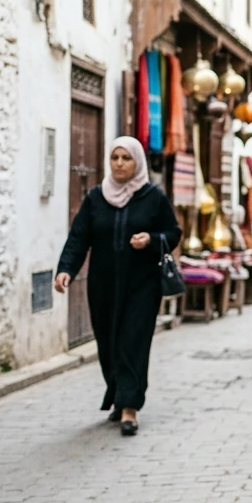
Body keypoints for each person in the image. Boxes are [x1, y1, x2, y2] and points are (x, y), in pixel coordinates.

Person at [55, 137, 181, 437]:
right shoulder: (97, 197)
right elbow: (79, 237)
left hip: (142, 285)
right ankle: (118, 392)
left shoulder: (153, 197)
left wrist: (151, 240)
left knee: (132, 342)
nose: (120, 163)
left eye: (126, 158)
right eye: (115, 158)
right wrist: (66, 270)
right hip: (103, 285)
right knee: (108, 343)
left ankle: (129, 407)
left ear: (137, 162)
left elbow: (173, 232)